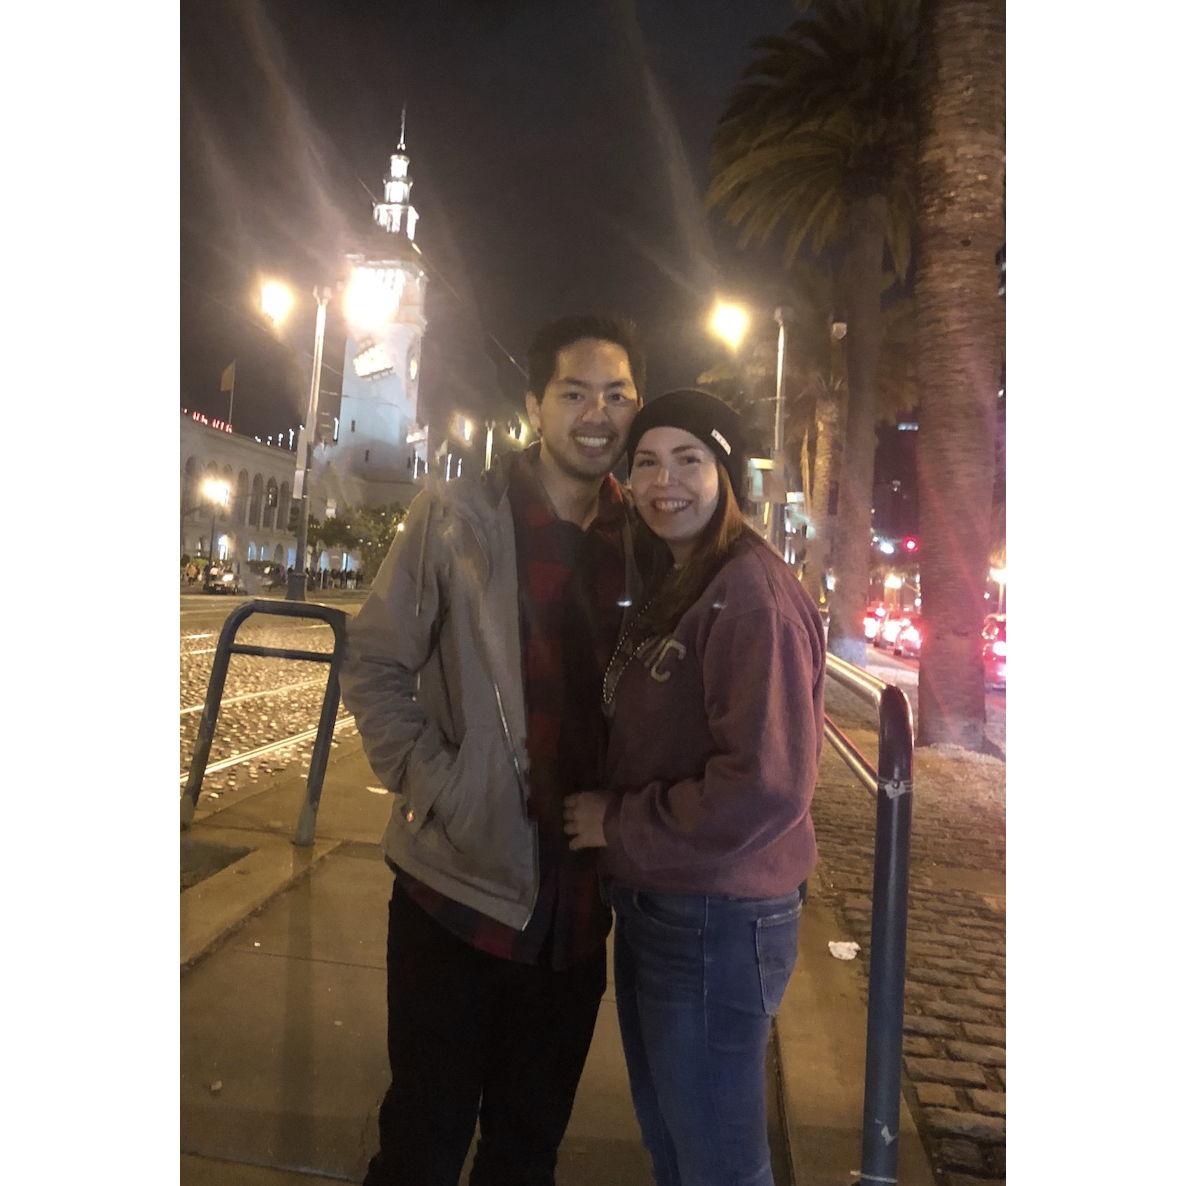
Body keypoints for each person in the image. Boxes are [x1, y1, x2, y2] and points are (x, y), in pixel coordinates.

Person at [340, 313, 647, 1186]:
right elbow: (375, 661)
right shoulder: (456, 515)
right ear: (534, 405)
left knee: (526, 1150)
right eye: (575, 392)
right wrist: (435, 787)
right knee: (422, 1143)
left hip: (578, 913)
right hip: (454, 890)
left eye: (617, 395)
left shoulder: (645, 544)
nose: (597, 413)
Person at [564, 389, 826, 1186]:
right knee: (676, 1145)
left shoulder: (750, 594)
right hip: (669, 907)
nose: (662, 482)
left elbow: (765, 788)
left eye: (689, 460)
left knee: (715, 1162)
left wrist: (619, 822)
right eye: (645, 462)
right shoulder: (686, 576)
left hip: (714, 917)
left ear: (726, 474)